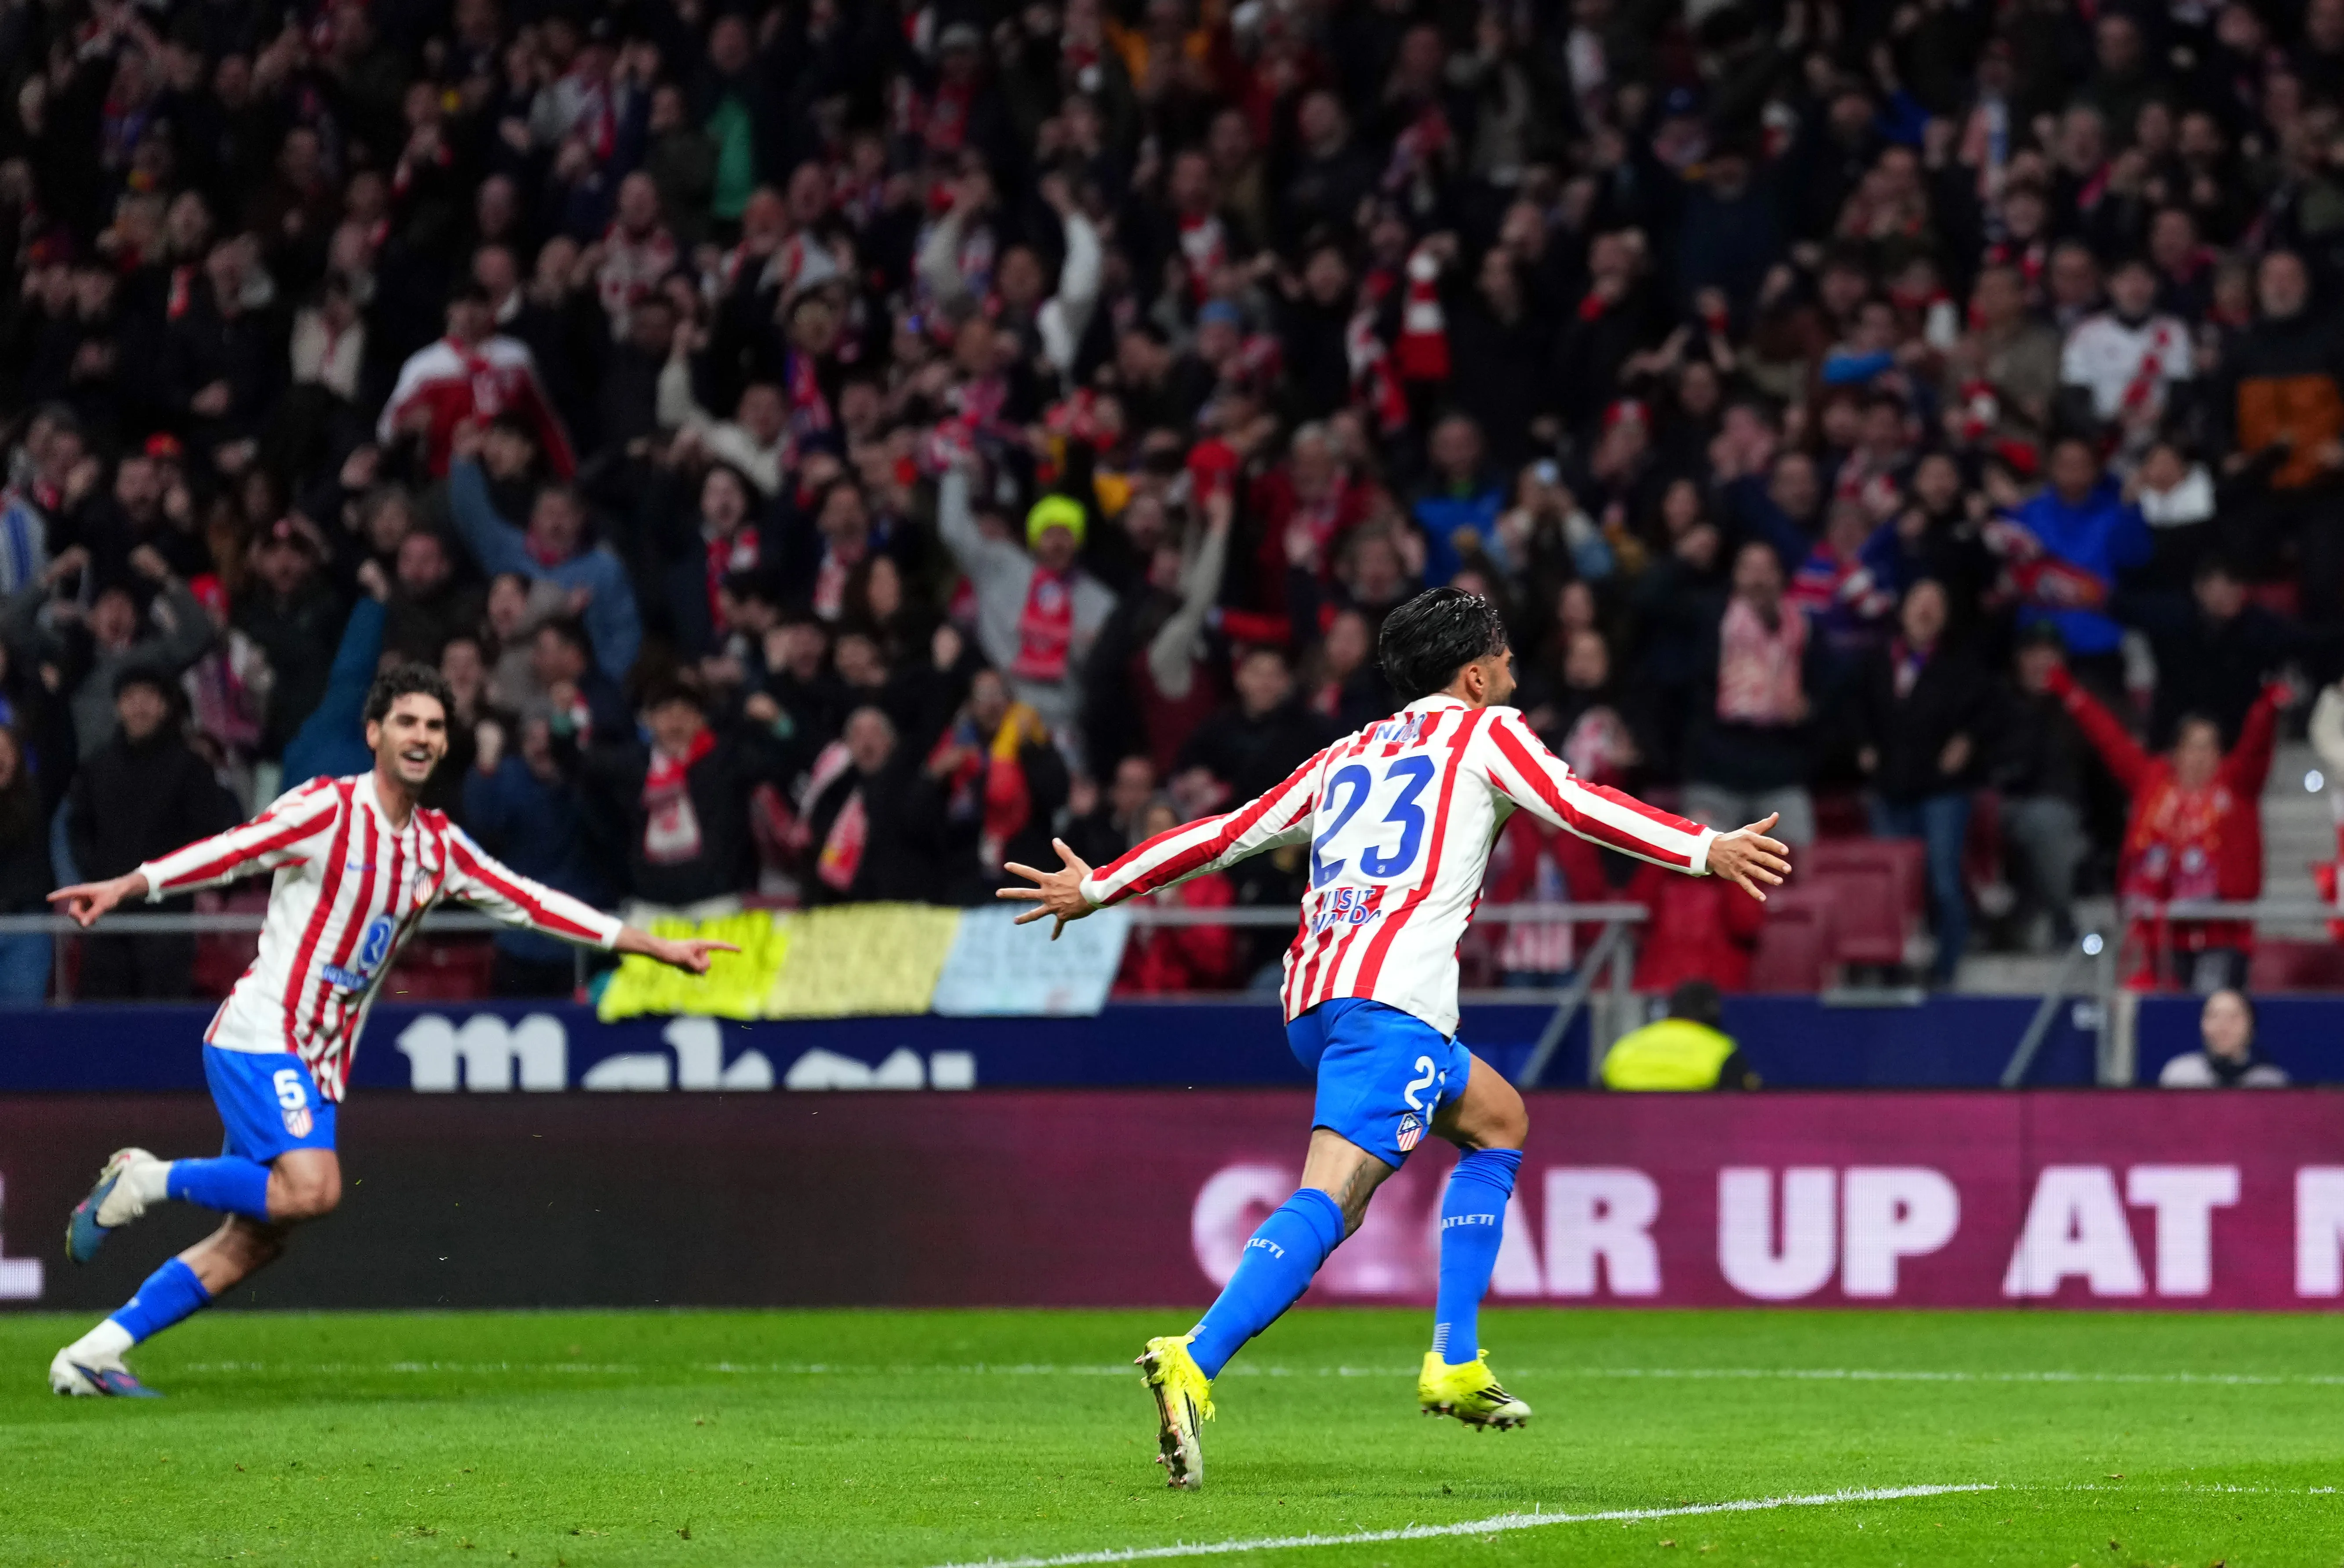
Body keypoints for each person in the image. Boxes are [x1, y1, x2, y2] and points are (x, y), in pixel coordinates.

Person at [1000, 587, 1789, 1488]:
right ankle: (1194, 1356)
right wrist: (1705, 847)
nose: (1513, 667)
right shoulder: (1487, 735)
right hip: (1392, 1004)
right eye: (1503, 653)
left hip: (1316, 996)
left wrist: (1101, 884)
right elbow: (1578, 804)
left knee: (1499, 1117)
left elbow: (1224, 834)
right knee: (1335, 1199)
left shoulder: (1349, 751)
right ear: (1474, 671)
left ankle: (1454, 1357)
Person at [44, 664, 735, 1397]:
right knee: (313, 1188)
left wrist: (653, 944)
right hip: (263, 1031)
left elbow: (532, 903)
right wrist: (131, 884)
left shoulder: (439, 848)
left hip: (320, 1062)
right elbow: (233, 848)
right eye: (407, 721)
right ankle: (144, 1177)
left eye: (434, 726)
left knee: (257, 1237)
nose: (422, 736)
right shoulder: (326, 808)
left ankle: (91, 1354)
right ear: (375, 733)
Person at [1600, 980, 1760, 1091]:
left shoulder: (1627, 1044)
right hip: (1688, 1132)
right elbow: (1741, 1107)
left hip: (1629, 1130)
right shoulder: (1722, 1050)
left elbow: (1596, 1098)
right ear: (1714, 1015)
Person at [2157, 988, 2289, 1086]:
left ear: (2252, 1026)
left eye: (2234, 1017)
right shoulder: (2179, 1076)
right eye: (2214, 1016)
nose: (2223, 1026)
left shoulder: (2270, 1082)